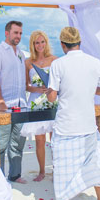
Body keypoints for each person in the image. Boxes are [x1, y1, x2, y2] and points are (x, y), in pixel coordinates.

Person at [44, 27, 100, 200]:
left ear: (63, 45)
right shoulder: (94, 62)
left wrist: (49, 92)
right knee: (95, 163)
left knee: (62, 167)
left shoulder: (58, 64)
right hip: (88, 125)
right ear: (80, 42)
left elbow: (52, 98)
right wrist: (88, 91)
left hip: (66, 127)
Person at [0, 20, 28, 184]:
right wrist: (1, 101)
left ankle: (15, 175)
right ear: (7, 33)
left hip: (21, 106)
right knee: (1, 145)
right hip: (3, 107)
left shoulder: (21, 54)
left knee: (17, 144)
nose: (18, 36)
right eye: (15, 33)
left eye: (20, 33)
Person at [21, 30, 58, 182]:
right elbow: (26, 86)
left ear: (46, 43)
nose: (40, 45)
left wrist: (51, 87)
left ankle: (57, 169)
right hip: (36, 102)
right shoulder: (28, 62)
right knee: (40, 140)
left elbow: (61, 81)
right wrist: (37, 89)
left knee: (55, 138)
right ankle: (42, 171)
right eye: (37, 42)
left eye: (42, 42)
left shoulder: (55, 60)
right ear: (33, 45)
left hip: (52, 101)